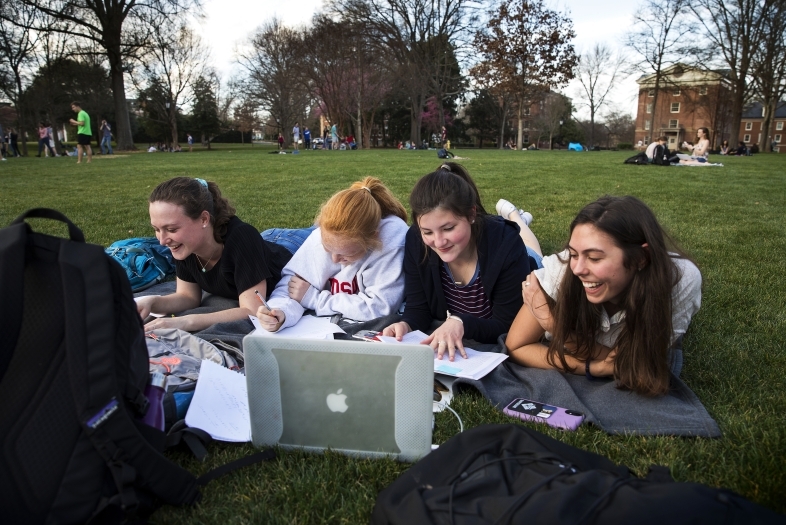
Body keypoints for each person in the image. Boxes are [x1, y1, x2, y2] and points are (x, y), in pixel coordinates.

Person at [504, 196, 702, 397]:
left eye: (595, 258)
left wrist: (552, 324)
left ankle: (517, 218)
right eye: (573, 254)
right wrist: (594, 368)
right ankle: (516, 219)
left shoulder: (679, 281)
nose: (578, 269)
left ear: (641, 258)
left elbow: (638, 368)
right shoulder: (561, 271)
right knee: (530, 247)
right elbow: (517, 346)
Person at [382, 163, 533, 360]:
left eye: (448, 228)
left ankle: (516, 217)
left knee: (530, 244)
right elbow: (418, 308)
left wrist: (461, 322)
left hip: (526, 259)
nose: (438, 242)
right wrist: (406, 325)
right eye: (428, 231)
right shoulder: (416, 241)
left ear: (471, 214)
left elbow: (508, 323)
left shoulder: (506, 243)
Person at [136, 177, 292, 332]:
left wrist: (186, 321)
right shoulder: (185, 246)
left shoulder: (242, 238)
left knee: (316, 232)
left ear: (204, 219)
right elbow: (188, 297)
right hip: (263, 244)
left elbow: (251, 311)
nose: (162, 241)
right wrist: (151, 302)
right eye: (156, 229)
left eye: (171, 229)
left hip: (289, 244)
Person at [256, 177, 410, 332]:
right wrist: (280, 314)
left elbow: (380, 307)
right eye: (328, 249)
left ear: (374, 237)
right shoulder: (323, 236)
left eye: (346, 255)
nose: (335, 259)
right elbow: (292, 289)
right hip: (285, 239)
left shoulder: (392, 241)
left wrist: (315, 299)